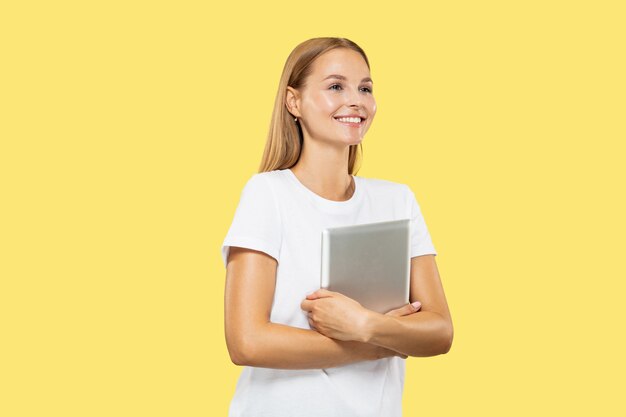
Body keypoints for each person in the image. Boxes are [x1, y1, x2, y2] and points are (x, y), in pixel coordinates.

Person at [221, 37, 453, 417]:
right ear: (294, 102)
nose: (356, 100)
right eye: (335, 86)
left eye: (365, 88)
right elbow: (247, 341)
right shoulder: (268, 194)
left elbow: (440, 331)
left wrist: (363, 323)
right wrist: (377, 342)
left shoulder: (397, 200)